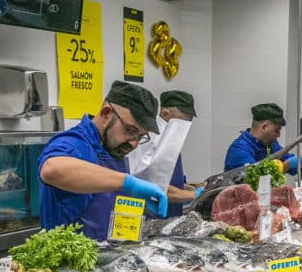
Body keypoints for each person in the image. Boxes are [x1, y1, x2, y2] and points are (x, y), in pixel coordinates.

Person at [38, 81, 168, 240]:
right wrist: (129, 183)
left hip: (109, 255)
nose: (133, 143)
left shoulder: (113, 148)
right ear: (106, 114)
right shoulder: (75, 143)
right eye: (130, 130)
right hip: (69, 260)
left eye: (140, 136)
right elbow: (52, 169)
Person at [223, 103, 302, 174]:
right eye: (277, 130)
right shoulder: (239, 149)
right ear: (264, 127)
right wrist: (288, 165)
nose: (278, 135)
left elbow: (287, 160)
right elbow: (253, 177)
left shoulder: (271, 145)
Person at [157, 90, 199, 218]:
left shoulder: (171, 141)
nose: (185, 130)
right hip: (152, 221)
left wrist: (188, 188)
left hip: (172, 217)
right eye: (182, 124)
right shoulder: (152, 142)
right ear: (165, 114)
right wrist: (196, 195)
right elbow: (156, 188)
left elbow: (171, 181)